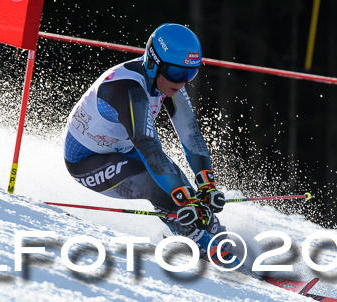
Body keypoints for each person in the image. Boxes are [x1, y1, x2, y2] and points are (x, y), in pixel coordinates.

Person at [62, 23, 230, 263]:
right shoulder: (127, 88)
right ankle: (199, 247)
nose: (182, 81)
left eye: (189, 73)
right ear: (153, 62)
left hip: (123, 148)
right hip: (86, 161)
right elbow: (148, 145)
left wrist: (207, 183)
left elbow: (190, 134)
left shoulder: (166, 82)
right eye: (175, 72)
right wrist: (183, 198)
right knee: (161, 188)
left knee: (183, 186)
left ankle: (219, 240)